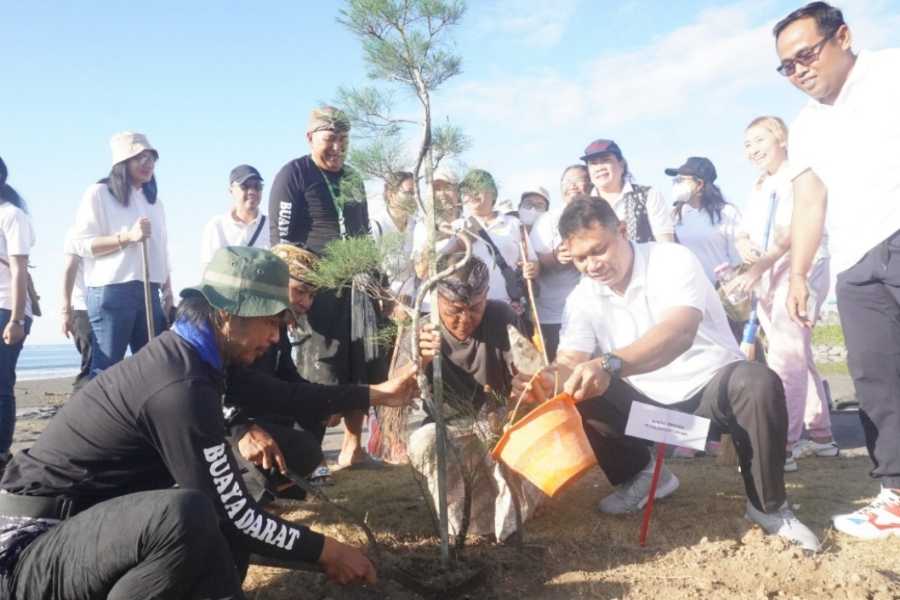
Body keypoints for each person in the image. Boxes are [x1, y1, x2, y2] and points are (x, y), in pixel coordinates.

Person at [0, 247, 378, 598]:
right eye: (270, 322)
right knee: (184, 517)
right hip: (28, 547)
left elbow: (284, 396)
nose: (275, 337)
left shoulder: (199, 358)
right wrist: (326, 550)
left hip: (80, 528)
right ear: (227, 314)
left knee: (214, 533)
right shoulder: (179, 384)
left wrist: (376, 394)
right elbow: (236, 515)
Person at [516, 196, 820, 551]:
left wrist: (608, 363)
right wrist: (547, 380)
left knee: (757, 382)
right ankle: (644, 477)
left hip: (711, 396)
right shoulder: (581, 297)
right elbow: (570, 358)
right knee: (577, 388)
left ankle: (768, 507)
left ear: (624, 231)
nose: (592, 265)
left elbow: (678, 333)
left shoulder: (671, 259)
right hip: (647, 408)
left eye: (599, 250)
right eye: (581, 258)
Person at [774, 2, 900, 539]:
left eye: (806, 54)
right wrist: (799, 275)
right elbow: (809, 203)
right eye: (787, 65)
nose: (799, 70)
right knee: (876, 381)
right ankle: (896, 494)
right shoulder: (805, 127)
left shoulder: (891, 72)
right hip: (853, 263)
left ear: (843, 36)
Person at [225, 243, 416, 498]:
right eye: (300, 292)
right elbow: (220, 391)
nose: (306, 303)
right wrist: (239, 429)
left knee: (313, 416)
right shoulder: (238, 333)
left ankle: (283, 487)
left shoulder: (278, 335)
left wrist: (348, 397)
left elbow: (293, 387)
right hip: (228, 425)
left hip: (260, 416)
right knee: (303, 441)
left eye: (312, 295)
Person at [268, 106, 381, 468]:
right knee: (322, 369)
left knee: (360, 364)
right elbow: (281, 242)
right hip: (315, 291)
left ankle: (354, 447)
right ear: (310, 138)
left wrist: (375, 280)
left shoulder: (353, 178)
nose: (337, 147)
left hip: (356, 287)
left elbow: (363, 233)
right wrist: (295, 295)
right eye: (329, 139)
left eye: (343, 140)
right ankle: (311, 457)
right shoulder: (293, 175)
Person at [405, 254, 542, 541]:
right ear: (436, 297)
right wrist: (420, 362)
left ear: (487, 297)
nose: (465, 319)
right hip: (451, 425)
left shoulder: (502, 316)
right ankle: (458, 530)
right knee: (426, 442)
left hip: (498, 417)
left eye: (475, 309)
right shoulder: (421, 329)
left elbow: (529, 369)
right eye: (454, 309)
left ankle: (510, 532)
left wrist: (525, 383)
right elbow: (398, 393)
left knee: (521, 441)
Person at [732, 115, 836, 473]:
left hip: (801, 268)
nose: (752, 150)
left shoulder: (798, 175)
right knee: (796, 352)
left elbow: (793, 231)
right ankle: (820, 434)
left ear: (781, 139)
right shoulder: (760, 185)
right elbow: (744, 231)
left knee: (785, 355)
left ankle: (784, 443)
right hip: (767, 274)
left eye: (759, 140)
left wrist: (758, 268)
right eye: (747, 144)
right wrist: (744, 245)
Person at [71, 131, 172, 375]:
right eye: (140, 158)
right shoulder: (98, 193)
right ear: (122, 163)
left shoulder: (154, 202)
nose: (148, 164)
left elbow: (162, 251)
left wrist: (168, 290)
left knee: (153, 368)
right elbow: (82, 244)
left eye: (151, 158)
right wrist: (126, 238)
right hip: (111, 289)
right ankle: (98, 414)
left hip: (149, 291)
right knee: (106, 368)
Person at [448, 169, 538, 308]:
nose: (473, 193)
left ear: (493, 193)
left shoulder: (514, 224)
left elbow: (533, 261)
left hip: (509, 307)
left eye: (479, 187)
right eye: (468, 190)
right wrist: (460, 243)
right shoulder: (456, 227)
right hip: (469, 310)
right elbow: (438, 266)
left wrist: (531, 269)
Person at [529, 165, 590, 361]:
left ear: (589, 184)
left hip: (594, 312)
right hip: (553, 315)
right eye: (567, 181)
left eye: (579, 180)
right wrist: (555, 258)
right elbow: (535, 262)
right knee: (556, 374)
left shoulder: (600, 213)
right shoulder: (547, 220)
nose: (573, 186)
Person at [0, 156, 35, 472]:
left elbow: (19, 270)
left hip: (7, 310)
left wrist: (16, 318)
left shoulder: (12, 216)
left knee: (1, 382)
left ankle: (1, 452)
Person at [581, 139, 675, 243]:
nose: (599, 168)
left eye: (606, 160)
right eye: (593, 163)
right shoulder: (583, 205)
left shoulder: (648, 195)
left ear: (621, 164)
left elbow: (666, 244)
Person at [667, 157, 742, 284]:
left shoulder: (726, 212)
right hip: (690, 290)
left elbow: (738, 258)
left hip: (722, 290)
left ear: (700, 184)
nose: (676, 184)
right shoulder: (674, 216)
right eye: (675, 180)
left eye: (681, 180)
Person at [200, 165, 270, 273]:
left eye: (257, 186)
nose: (252, 191)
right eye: (245, 186)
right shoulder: (216, 226)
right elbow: (207, 272)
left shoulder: (272, 226)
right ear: (231, 190)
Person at [371, 171, 418, 316]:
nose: (414, 198)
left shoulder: (417, 225)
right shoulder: (375, 226)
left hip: (416, 306)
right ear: (391, 194)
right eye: (409, 193)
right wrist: (391, 302)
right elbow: (371, 272)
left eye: (416, 193)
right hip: (385, 308)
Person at [61, 228, 92, 392]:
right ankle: (78, 412)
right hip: (82, 308)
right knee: (90, 364)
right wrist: (66, 311)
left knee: (106, 366)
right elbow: (69, 270)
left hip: (110, 307)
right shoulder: (77, 233)